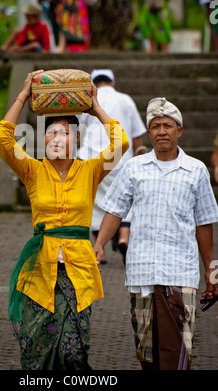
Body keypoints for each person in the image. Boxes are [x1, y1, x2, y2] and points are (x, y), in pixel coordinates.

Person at [0, 70, 129, 370]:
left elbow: (121, 144)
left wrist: (94, 108)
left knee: (74, 353)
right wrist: (24, 94)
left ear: (76, 138)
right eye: (51, 133)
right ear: (43, 139)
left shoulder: (90, 170)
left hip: (78, 269)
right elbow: (3, 139)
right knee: (36, 352)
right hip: (40, 268)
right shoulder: (32, 171)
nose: (56, 138)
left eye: (64, 133)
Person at [94, 97, 218, 370]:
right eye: (156, 126)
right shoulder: (133, 168)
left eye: (168, 126)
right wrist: (100, 244)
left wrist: (212, 270)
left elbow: (204, 223)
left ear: (179, 131)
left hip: (180, 275)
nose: (162, 131)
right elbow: (114, 210)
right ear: (148, 133)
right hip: (141, 275)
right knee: (146, 353)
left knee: (178, 355)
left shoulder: (196, 170)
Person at [78, 69, 147, 264]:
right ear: (113, 82)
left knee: (94, 203)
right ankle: (124, 237)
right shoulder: (125, 100)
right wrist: (139, 150)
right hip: (121, 159)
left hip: (91, 159)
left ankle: (100, 249)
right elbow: (135, 135)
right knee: (126, 202)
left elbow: (80, 132)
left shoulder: (88, 99)